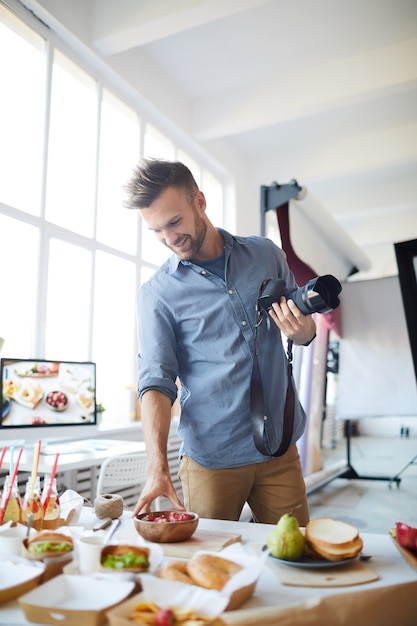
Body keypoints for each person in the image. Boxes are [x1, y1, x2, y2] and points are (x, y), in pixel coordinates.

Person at [123, 158, 316, 525]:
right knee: (209, 568)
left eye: (174, 222)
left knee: (296, 558)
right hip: (213, 459)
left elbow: (302, 326)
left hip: (280, 449)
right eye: (157, 231)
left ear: (200, 201)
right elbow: (156, 381)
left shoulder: (266, 255)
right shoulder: (157, 295)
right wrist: (156, 467)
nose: (169, 238)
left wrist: (304, 332)